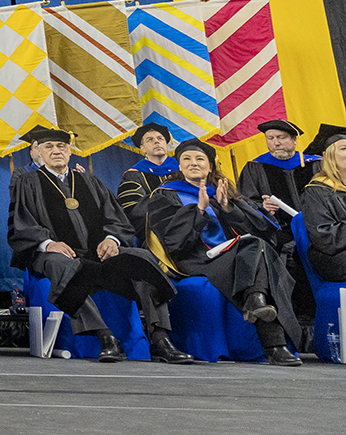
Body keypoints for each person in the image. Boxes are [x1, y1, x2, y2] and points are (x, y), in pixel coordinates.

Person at [7, 126, 192, 364]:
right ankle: (104, 337)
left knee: (143, 259)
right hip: (56, 254)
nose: (56, 151)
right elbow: (20, 223)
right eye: (49, 147)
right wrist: (48, 243)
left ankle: (161, 338)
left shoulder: (89, 181)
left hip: (98, 252)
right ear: (39, 152)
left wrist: (112, 239)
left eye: (61, 146)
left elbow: (116, 218)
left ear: (70, 152)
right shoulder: (28, 182)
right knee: (61, 264)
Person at [145, 138, 302, 366]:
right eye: (186, 159)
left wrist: (228, 207)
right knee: (258, 255)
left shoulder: (223, 192)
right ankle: (274, 344)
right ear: (178, 166)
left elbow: (262, 232)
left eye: (200, 159)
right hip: (194, 259)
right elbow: (173, 242)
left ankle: (256, 302)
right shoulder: (164, 195)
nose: (193, 163)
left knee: (257, 247)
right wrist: (198, 211)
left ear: (210, 166)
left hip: (232, 256)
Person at [238, 119, 319, 227]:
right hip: (279, 231)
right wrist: (263, 206)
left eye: (281, 137)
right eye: (270, 138)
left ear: (294, 139)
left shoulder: (315, 164)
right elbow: (246, 201)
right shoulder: (254, 167)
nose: (276, 143)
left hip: (317, 227)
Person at [300, 125, 346, 281]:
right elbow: (324, 238)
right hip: (334, 258)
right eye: (344, 148)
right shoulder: (316, 191)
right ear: (328, 156)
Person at [117, 122, 178, 230]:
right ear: (143, 148)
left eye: (160, 138)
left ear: (166, 144)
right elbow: (133, 210)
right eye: (150, 140)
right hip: (155, 230)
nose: (157, 142)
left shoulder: (181, 169)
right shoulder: (133, 175)